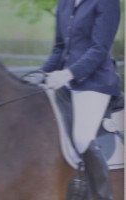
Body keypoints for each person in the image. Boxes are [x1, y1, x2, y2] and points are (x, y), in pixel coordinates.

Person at [32, 0, 121, 199]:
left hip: (95, 83)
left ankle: (103, 195)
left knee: (81, 138)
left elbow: (99, 49)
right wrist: (40, 73)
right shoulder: (64, 3)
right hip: (65, 82)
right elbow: (59, 48)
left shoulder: (107, 3)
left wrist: (68, 74)